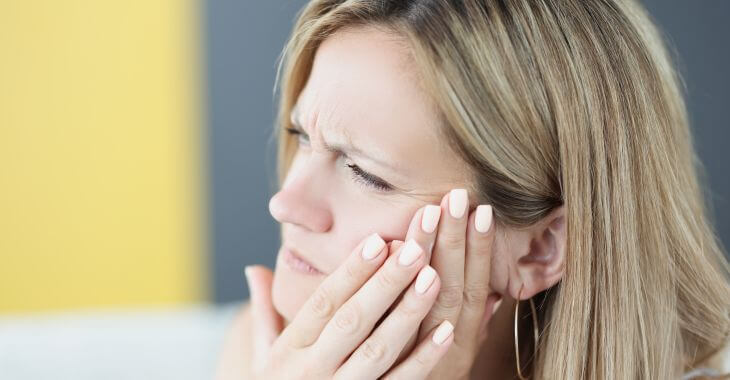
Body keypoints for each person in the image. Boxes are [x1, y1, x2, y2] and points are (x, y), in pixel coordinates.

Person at [215, 0, 730, 378]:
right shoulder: (271, 353)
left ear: (541, 248)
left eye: (366, 174)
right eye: (301, 136)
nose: (285, 204)